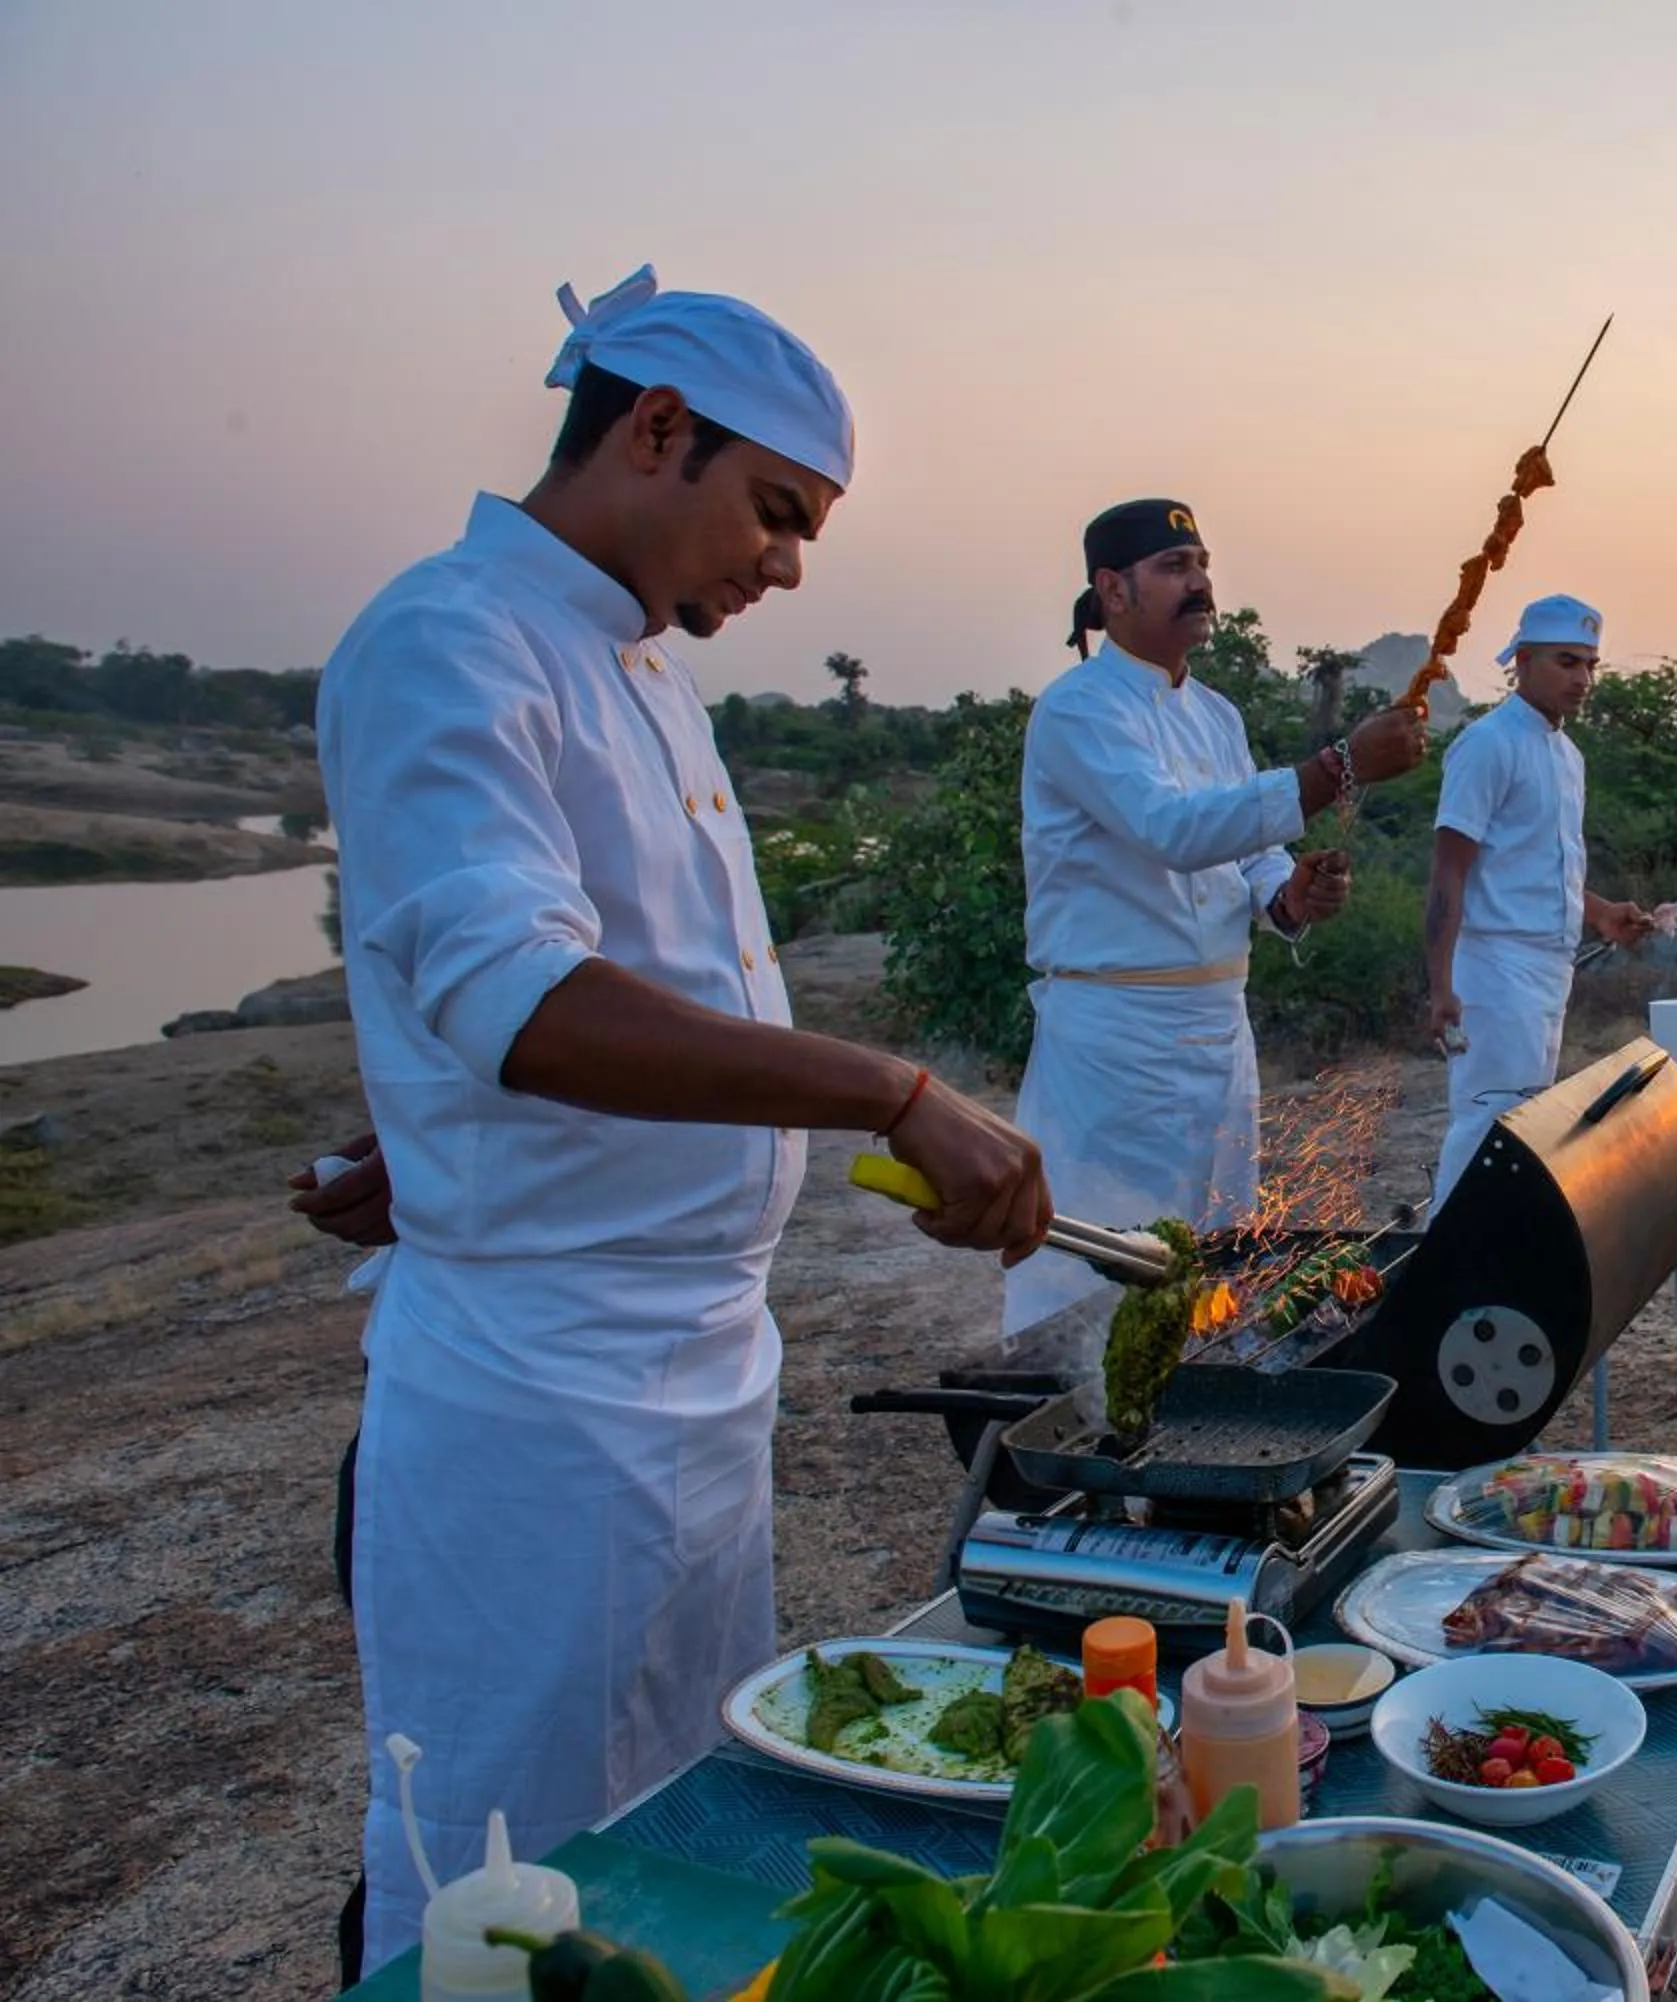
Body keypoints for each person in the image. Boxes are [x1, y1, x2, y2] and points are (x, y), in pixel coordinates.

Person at [295, 265, 1053, 1979]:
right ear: (654, 429)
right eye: (775, 512)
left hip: (698, 1375)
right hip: (541, 1403)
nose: (785, 566)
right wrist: (898, 1092)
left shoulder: (639, 664)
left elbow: (585, 984)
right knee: (508, 1884)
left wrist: (437, 1135)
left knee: (676, 1842)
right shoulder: (448, 640)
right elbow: (533, 1003)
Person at [1004, 499, 1426, 1348]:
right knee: (1110, 1267)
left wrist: (1287, 897)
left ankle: (1196, 1437)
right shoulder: (1080, 710)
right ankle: (1071, 1448)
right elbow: (1173, 829)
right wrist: (1339, 767)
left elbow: (1247, 854)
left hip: (1217, 1029)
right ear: (1111, 590)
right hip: (1116, 1039)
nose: (1198, 583)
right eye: (1173, 567)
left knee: (1218, 1256)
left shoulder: (1217, 714)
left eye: (1200, 563)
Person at [1424, 594, 1652, 1205]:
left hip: (1550, 970)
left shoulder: (1567, 756)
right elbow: (1449, 871)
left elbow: (1545, 869)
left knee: (1524, 1127)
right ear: (1522, 662)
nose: (1581, 679)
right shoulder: (1486, 744)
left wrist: (1602, 914)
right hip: (1494, 968)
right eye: (1566, 662)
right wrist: (1442, 985)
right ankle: (1446, 1277)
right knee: (1485, 1128)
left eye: (1589, 665)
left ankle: (1493, 1271)